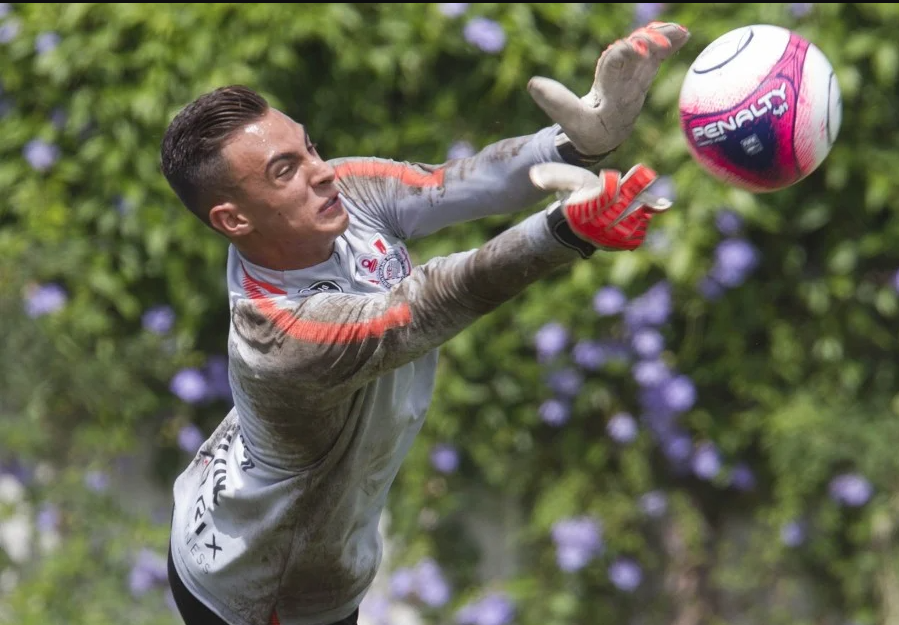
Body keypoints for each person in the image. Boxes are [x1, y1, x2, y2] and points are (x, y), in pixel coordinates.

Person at [159, 21, 689, 625]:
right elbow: (422, 306)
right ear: (233, 221)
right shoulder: (278, 340)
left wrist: (577, 143)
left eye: (308, 146)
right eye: (285, 170)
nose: (321, 170)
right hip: (263, 589)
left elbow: (454, 184)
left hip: (231, 511)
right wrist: (561, 231)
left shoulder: (342, 193)